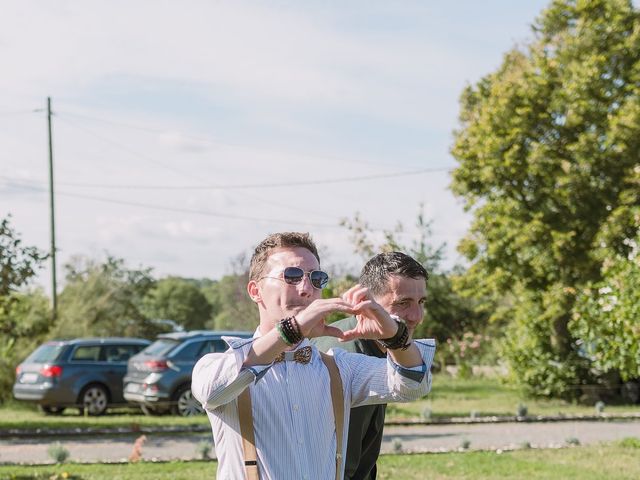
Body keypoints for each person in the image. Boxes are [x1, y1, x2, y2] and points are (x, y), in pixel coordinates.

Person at [191, 232, 436, 480]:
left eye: (316, 278)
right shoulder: (218, 365)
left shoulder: (339, 368)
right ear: (256, 291)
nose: (307, 288)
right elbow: (216, 390)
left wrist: (394, 337)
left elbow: (412, 385)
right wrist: (292, 330)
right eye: (292, 276)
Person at [312, 252, 428, 480]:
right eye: (403, 303)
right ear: (366, 302)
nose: (416, 316)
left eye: (421, 302)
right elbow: (338, 464)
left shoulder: (381, 346)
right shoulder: (344, 356)